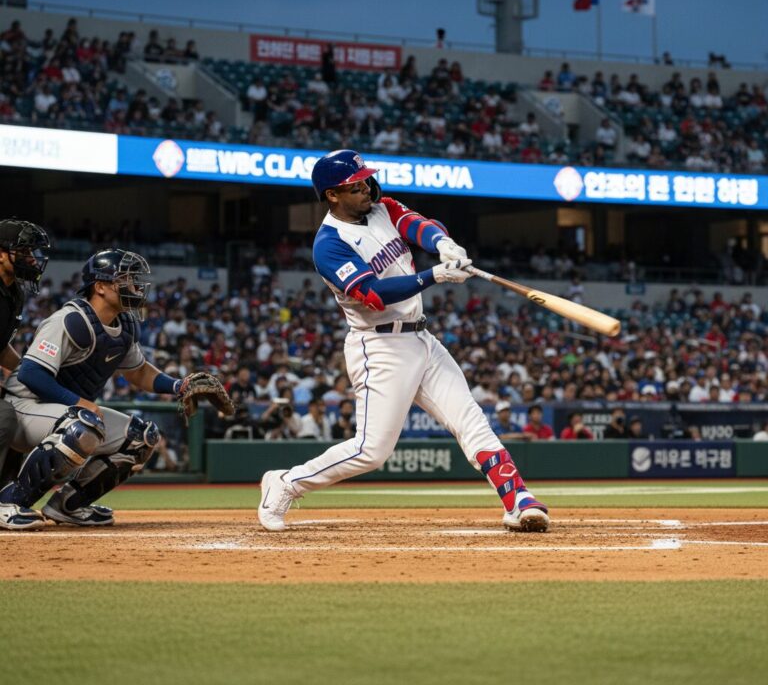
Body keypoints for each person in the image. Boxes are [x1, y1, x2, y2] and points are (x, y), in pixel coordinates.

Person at [258, 149, 548, 533]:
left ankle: (517, 498)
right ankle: (286, 483)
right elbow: (373, 294)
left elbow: (416, 224)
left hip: (420, 337)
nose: (366, 188)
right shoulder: (329, 244)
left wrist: (443, 243)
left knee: (470, 420)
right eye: (355, 185)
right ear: (332, 195)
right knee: (371, 452)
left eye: (365, 180)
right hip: (378, 347)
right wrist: (434, 276)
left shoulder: (380, 207)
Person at [0, 249, 224, 529]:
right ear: (101, 287)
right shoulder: (70, 319)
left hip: (65, 415)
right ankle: (9, 502)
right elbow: (32, 373)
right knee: (84, 425)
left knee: (141, 437)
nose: (136, 286)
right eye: (127, 279)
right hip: (23, 406)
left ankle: (68, 505)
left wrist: (179, 385)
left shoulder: (125, 324)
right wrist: (78, 402)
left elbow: (139, 372)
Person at [0, 220, 51, 528]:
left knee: (20, 410)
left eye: (32, 251)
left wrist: (26, 373)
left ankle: (6, 499)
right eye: (23, 250)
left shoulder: (13, 293)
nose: (31, 257)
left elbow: (1, 347)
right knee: (4, 416)